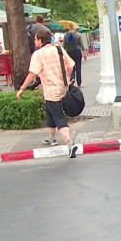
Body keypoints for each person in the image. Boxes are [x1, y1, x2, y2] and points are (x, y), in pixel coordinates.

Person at [15, 26, 78, 157]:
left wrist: (22, 88)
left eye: (35, 40)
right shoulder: (59, 50)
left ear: (40, 40)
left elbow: (32, 74)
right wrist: (65, 78)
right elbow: (71, 66)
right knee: (50, 111)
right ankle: (51, 137)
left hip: (51, 90)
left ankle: (69, 143)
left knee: (58, 116)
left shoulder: (38, 54)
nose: (34, 42)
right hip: (63, 87)